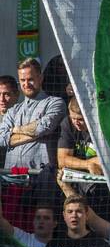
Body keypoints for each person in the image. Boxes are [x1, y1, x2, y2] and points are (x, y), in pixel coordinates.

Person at [0, 58, 66, 220]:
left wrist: (15, 130)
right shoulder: (13, 110)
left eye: (30, 79)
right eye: (22, 80)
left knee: (39, 229)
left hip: (40, 180)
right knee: (11, 228)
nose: (26, 84)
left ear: (40, 78)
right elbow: (2, 139)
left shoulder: (55, 103)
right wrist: (35, 132)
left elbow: (45, 127)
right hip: (12, 180)